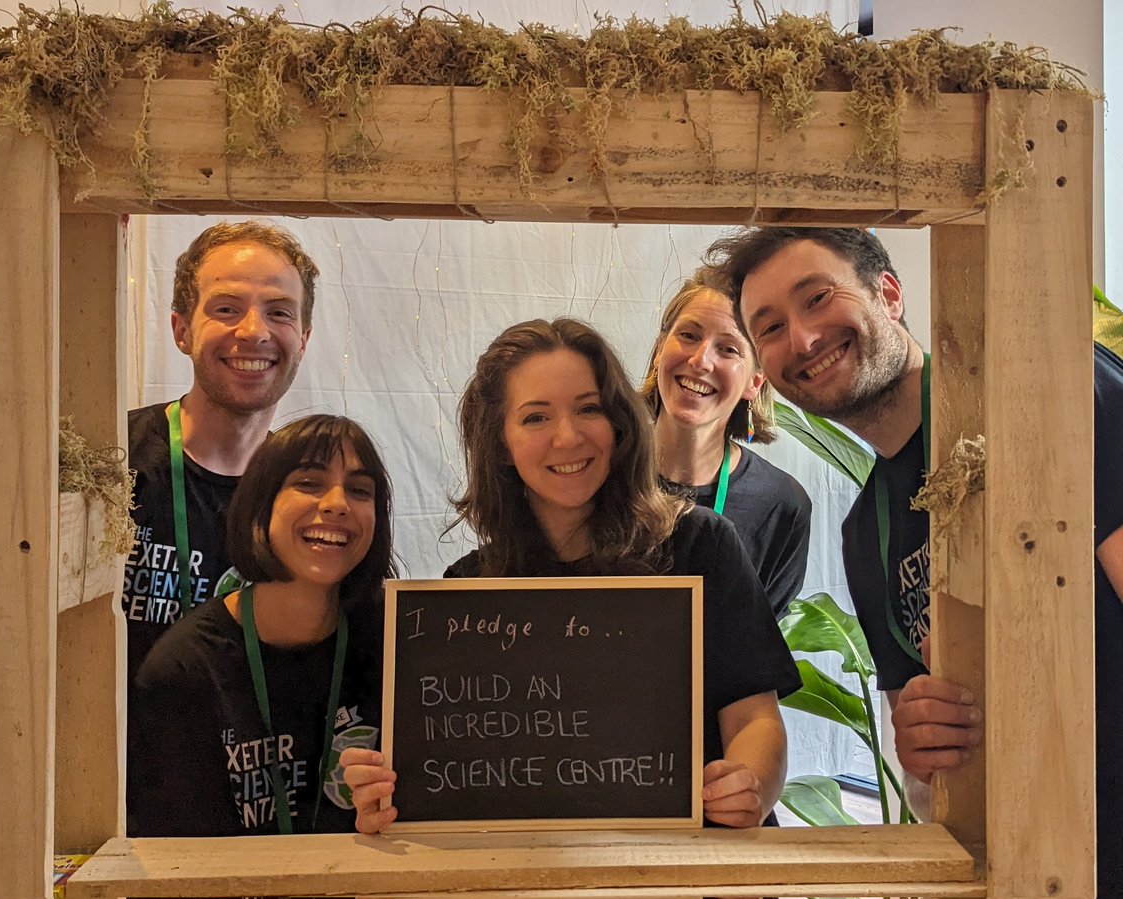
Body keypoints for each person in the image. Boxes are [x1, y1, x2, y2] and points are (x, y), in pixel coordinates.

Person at [708, 226, 1123, 896]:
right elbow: (932, 791)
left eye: (817, 299)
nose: (804, 339)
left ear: (890, 294)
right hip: (1044, 871)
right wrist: (926, 749)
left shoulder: (1044, 392)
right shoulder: (862, 534)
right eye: (772, 327)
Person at [341, 318, 801, 833]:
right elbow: (445, 780)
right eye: (536, 418)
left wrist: (750, 785)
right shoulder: (469, 590)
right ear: (501, 443)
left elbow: (755, 718)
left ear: (619, 425)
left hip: (685, 867)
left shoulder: (700, 546)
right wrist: (384, 796)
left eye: (589, 408)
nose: (568, 436)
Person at [128, 414, 395, 836]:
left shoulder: (399, 639)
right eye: (308, 483)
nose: (338, 503)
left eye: (360, 491)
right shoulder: (183, 670)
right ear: (259, 507)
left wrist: (382, 827)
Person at [123, 220, 316, 684]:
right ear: (182, 330)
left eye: (280, 313)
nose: (254, 332)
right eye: (227, 308)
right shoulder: (115, 459)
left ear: (304, 338)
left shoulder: (313, 500)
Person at [640, 268, 812, 618]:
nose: (700, 361)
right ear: (659, 350)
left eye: (729, 349)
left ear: (755, 382)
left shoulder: (782, 507)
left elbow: (758, 654)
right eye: (688, 335)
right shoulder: (597, 475)